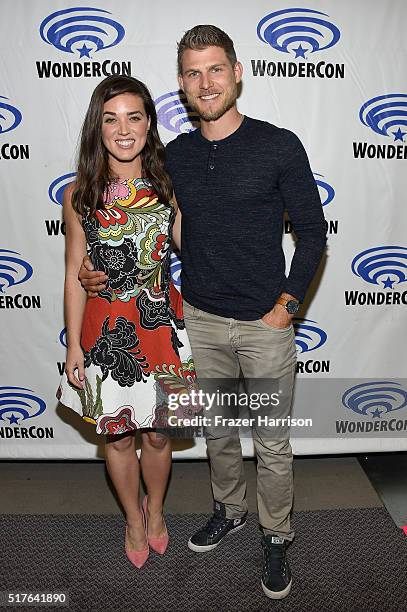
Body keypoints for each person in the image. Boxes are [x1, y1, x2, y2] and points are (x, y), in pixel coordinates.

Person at [78, 26, 327, 599]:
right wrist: (95, 271)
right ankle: (230, 510)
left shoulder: (279, 145)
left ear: (237, 72)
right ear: (182, 86)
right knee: (216, 432)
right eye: (192, 73)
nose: (205, 82)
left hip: (266, 322)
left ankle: (276, 535)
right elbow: (130, 222)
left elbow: (312, 232)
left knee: (270, 441)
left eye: (215, 69)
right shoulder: (175, 158)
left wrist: (286, 308)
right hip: (196, 323)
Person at [57, 75, 196, 569]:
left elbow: (196, 247)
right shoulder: (79, 194)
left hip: (162, 325)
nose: (123, 129)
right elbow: (76, 275)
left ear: (149, 125)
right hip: (105, 328)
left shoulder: (170, 184)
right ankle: (133, 523)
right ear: (98, 128)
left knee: (159, 433)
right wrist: (74, 345)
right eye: (110, 119)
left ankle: (155, 512)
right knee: (117, 434)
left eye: (134, 117)